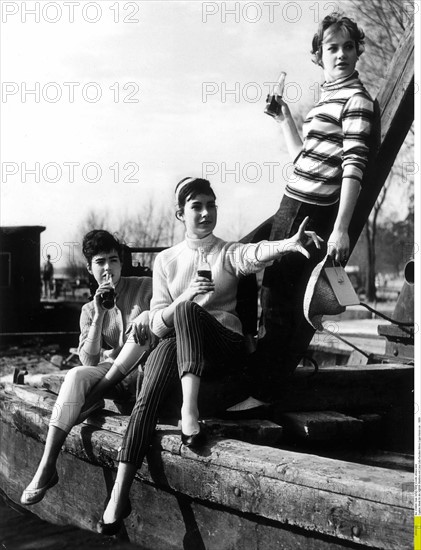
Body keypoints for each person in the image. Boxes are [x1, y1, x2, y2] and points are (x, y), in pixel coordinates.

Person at [95, 176, 322, 535]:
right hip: (180, 343)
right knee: (149, 389)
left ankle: (189, 410)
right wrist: (172, 303)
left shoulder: (227, 251)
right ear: (180, 214)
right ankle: (119, 494)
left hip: (223, 346)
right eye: (196, 206)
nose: (205, 212)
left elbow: (256, 252)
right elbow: (157, 316)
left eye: (210, 204)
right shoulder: (167, 260)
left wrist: (288, 244)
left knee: (187, 311)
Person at [258, 12, 375, 393]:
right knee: (240, 262)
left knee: (276, 295)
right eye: (331, 48)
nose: (340, 54)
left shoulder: (356, 100)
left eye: (347, 47)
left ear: (358, 51)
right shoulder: (327, 98)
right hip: (288, 202)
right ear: (318, 56)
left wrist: (340, 227)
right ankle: (239, 363)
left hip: (310, 211)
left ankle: (262, 391)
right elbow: (303, 158)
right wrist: (284, 119)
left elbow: (353, 166)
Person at [21, 230, 152, 506]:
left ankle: (90, 401)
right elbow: (88, 362)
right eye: (101, 262)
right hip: (112, 373)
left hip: (143, 371)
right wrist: (100, 315)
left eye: (114, 260)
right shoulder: (89, 310)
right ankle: (47, 465)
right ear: (90, 268)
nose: (108, 268)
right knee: (75, 374)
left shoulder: (144, 286)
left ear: (121, 263)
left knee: (136, 338)